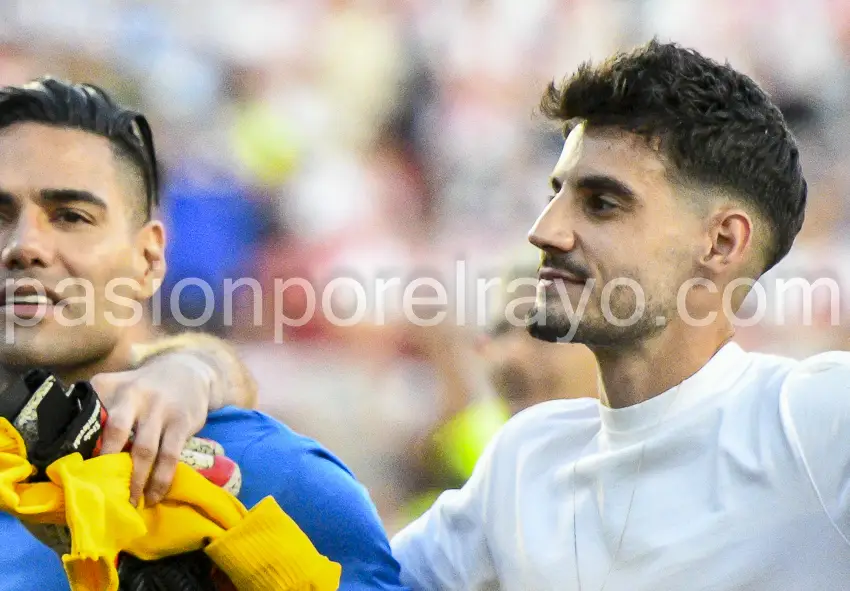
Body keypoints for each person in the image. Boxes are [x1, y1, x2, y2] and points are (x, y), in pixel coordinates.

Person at [391, 39, 850, 590]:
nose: (545, 230)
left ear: (722, 242)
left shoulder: (809, 422)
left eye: (602, 203)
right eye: (556, 193)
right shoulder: (526, 458)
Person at [0, 76, 406, 590]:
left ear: (148, 261)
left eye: (71, 216)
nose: (23, 245)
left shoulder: (267, 480)